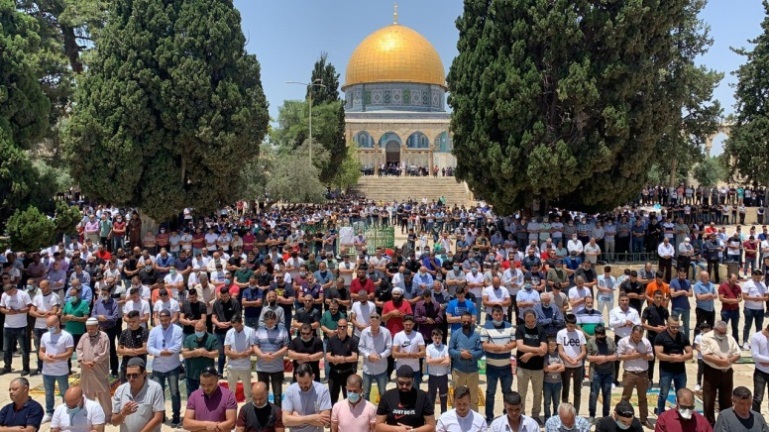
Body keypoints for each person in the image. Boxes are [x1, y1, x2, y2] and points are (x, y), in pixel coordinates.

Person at [147, 308, 184, 426]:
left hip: (173, 366)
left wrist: (169, 351)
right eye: (162, 320)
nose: (164, 322)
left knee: (174, 392)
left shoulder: (177, 329)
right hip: (158, 367)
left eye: (166, 320)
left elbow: (178, 346)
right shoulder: (154, 331)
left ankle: (176, 415)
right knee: (159, 393)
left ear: (170, 318)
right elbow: (149, 347)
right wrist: (161, 353)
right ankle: (161, 415)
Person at [700, 320, 741, 425]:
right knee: (709, 400)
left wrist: (729, 361)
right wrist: (720, 361)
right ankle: (709, 424)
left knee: (726, 399)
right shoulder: (706, 338)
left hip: (727, 372)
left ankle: (724, 423)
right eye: (721, 332)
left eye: (724, 332)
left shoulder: (729, 337)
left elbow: (737, 353)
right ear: (715, 330)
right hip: (711, 371)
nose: (723, 334)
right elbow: (705, 355)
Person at [480, 305, 516, 423]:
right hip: (491, 367)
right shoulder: (486, 327)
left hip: (506, 366)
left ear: (503, 314)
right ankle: (489, 416)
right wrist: (499, 347)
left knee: (507, 392)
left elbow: (514, 343)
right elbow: (484, 345)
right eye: (496, 314)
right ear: (492, 315)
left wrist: (502, 348)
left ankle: (507, 414)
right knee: (490, 392)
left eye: (500, 314)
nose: (498, 316)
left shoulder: (509, 326)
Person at [111, 358, 165, 432]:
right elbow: (114, 422)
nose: (131, 379)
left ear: (144, 373)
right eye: (128, 376)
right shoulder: (120, 390)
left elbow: (158, 418)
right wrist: (123, 413)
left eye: (135, 375)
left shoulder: (155, 388)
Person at [375, 365, 436, 431]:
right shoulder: (387, 396)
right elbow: (378, 426)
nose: (404, 386)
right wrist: (397, 430)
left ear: (413, 381)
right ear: (396, 380)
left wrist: (413, 431)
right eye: (401, 383)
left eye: (408, 383)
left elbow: (431, 426)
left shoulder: (422, 397)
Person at [654, 316, 693, 415]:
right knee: (664, 394)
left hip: (680, 371)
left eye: (677, 327)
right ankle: (660, 412)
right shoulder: (660, 337)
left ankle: (680, 412)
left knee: (681, 394)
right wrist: (672, 358)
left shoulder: (683, 336)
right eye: (673, 327)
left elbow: (690, 353)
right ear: (667, 325)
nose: (675, 329)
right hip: (666, 371)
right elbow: (659, 355)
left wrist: (681, 358)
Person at [617, 325, 653, 429]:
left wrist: (642, 355)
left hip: (642, 374)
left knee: (642, 398)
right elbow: (619, 356)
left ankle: (644, 419)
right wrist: (631, 356)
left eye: (639, 337)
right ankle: (622, 417)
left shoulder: (646, 342)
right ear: (631, 333)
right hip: (630, 373)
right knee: (625, 397)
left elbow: (651, 356)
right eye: (636, 337)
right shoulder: (624, 342)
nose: (637, 339)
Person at [76, 317, 112, 422]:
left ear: (97, 327)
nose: (90, 331)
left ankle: (107, 415)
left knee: (103, 393)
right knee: (87, 392)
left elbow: (104, 353)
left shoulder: (104, 337)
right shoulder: (84, 336)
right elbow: (79, 349)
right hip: (86, 370)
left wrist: (94, 361)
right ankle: (90, 415)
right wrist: (82, 361)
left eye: (92, 328)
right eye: (88, 329)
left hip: (99, 369)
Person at [183, 366, 238, 431]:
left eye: (210, 385)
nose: (206, 388)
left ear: (217, 380)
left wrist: (203, 428)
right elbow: (186, 424)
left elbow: (231, 423)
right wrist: (206, 425)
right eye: (203, 385)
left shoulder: (229, 395)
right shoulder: (194, 396)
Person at [40, 315, 73, 423]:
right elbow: (41, 351)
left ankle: (66, 410)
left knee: (64, 392)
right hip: (47, 370)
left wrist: (56, 357)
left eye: (51, 325)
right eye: (48, 326)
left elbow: (69, 352)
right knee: (49, 392)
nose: (49, 327)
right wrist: (44, 357)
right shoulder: (45, 336)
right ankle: (49, 412)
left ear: (57, 323)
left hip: (61, 370)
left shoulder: (66, 336)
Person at [515, 309, 547, 419]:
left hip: (538, 368)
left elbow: (544, 349)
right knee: (521, 393)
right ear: (524, 320)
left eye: (532, 321)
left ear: (535, 319)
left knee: (538, 394)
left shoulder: (541, 330)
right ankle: (521, 415)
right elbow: (520, 347)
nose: (530, 323)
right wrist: (537, 350)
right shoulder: (520, 329)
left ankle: (535, 416)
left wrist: (529, 354)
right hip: (523, 367)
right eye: (528, 322)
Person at [254, 310, 290, 407]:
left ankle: (277, 417)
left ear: (275, 320)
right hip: (262, 367)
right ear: (264, 321)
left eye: (271, 322)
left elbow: (286, 346)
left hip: (277, 368)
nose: (269, 324)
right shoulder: (260, 329)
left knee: (277, 395)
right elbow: (255, 346)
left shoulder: (283, 329)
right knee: (263, 393)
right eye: (267, 322)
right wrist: (262, 355)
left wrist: (274, 355)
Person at [282, 363, 333, 432]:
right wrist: (313, 418)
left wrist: (297, 418)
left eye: (306, 382)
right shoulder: (290, 391)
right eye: (300, 382)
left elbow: (325, 422)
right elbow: (285, 421)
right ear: (296, 377)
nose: (303, 386)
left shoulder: (323, 390)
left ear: (313, 377)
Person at [448, 312, 483, 411]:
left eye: (468, 321)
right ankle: (455, 417)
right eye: (464, 321)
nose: (466, 323)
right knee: (457, 396)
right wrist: (460, 354)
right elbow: (450, 349)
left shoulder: (477, 335)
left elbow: (481, 351)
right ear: (461, 321)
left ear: (471, 321)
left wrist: (470, 355)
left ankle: (474, 418)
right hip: (458, 370)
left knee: (474, 397)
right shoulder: (455, 334)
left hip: (473, 371)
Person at [557, 313, 587, 415]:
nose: (572, 328)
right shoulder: (561, 333)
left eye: (573, 326)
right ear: (566, 324)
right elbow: (560, 351)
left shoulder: (580, 334)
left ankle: (576, 413)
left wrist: (577, 359)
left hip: (578, 366)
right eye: (570, 326)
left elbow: (583, 351)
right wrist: (569, 360)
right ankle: (565, 412)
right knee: (565, 389)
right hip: (566, 366)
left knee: (577, 391)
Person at [0, 282, 33, 375]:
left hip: (21, 326)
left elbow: (30, 307)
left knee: (24, 349)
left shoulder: (23, 294)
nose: (8, 295)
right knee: (6, 349)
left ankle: (26, 368)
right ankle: (7, 367)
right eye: (7, 293)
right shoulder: (4, 295)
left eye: (10, 293)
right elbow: (1, 307)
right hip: (8, 326)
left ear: (13, 289)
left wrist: (18, 311)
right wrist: (7, 311)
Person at [609, 293, 641, 385]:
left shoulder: (634, 311)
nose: (624, 302)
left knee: (633, 359)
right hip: (619, 338)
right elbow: (611, 323)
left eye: (626, 300)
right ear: (619, 301)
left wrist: (631, 323)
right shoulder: (614, 311)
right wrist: (623, 322)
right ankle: (614, 380)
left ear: (629, 301)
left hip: (632, 339)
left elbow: (639, 323)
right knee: (616, 360)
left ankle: (632, 380)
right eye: (622, 300)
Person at [358, 313, 392, 402]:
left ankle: (383, 411)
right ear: (369, 322)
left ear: (380, 322)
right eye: (372, 324)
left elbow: (389, 348)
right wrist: (368, 355)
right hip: (367, 368)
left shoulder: (386, 332)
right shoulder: (364, 332)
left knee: (383, 392)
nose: (374, 327)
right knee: (365, 392)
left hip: (381, 368)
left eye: (376, 324)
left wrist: (381, 356)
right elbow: (360, 347)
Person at [586, 324, 616, 423]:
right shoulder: (591, 342)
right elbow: (588, 357)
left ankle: (606, 416)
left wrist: (605, 359)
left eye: (602, 337)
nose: (601, 339)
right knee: (594, 394)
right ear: (595, 335)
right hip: (596, 372)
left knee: (607, 395)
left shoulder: (610, 341)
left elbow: (616, 355)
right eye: (599, 337)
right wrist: (598, 359)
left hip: (608, 372)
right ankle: (592, 415)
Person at [30, 279, 60, 376]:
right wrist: (43, 314)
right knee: (39, 348)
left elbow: (54, 312)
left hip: (49, 327)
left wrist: (39, 311)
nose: (42, 289)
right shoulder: (37, 297)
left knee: (51, 347)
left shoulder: (54, 297)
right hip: (38, 326)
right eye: (41, 287)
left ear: (49, 286)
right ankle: (40, 367)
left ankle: (51, 367)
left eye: (44, 287)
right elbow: (31, 312)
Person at [183, 319, 220, 398]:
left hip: (208, 375)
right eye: (197, 330)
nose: (199, 332)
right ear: (194, 329)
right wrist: (196, 352)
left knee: (209, 397)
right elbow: (185, 354)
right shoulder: (189, 338)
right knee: (191, 398)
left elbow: (216, 353)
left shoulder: (212, 338)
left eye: (201, 330)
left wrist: (205, 353)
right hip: (192, 374)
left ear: (205, 329)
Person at [326, 318, 359, 404]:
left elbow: (355, 357)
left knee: (349, 398)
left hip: (347, 373)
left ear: (347, 327)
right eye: (340, 326)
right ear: (337, 327)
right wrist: (336, 359)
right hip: (334, 373)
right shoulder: (331, 340)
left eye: (344, 326)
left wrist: (343, 359)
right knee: (332, 398)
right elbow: (328, 356)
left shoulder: (352, 341)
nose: (342, 328)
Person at [642, 289, 669, 382]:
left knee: (663, 359)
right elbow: (642, 324)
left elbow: (669, 323)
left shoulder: (664, 310)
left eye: (660, 298)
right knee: (651, 359)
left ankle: (662, 379)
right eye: (657, 297)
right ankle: (650, 379)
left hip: (662, 338)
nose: (658, 299)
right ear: (653, 297)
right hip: (651, 336)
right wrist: (654, 329)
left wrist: (665, 327)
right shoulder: (648, 309)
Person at [392, 315, 426, 387]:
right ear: (403, 324)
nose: (408, 326)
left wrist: (403, 354)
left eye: (410, 325)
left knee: (415, 391)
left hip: (414, 369)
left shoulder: (418, 335)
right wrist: (410, 355)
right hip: (401, 368)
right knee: (401, 392)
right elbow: (394, 354)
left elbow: (423, 352)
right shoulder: (398, 335)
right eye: (406, 324)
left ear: (413, 324)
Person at [116, 310, 149, 381]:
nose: (131, 324)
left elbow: (145, 349)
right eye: (130, 321)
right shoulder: (124, 333)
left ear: (139, 320)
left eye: (134, 321)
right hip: (126, 365)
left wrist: (131, 351)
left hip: (139, 365)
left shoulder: (144, 332)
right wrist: (127, 352)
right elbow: (119, 350)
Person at [426, 329, 450, 414]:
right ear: (432, 337)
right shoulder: (429, 347)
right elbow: (428, 361)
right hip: (432, 376)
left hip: (443, 376)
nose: (437, 340)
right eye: (435, 338)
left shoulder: (445, 347)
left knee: (443, 397)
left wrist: (434, 361)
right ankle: (431, 417)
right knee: (431, 398)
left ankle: (444, 416)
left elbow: (447, 362)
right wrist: (442, 359)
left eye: (439, 338)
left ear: (442, 338)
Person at [742, 269, 767, 350]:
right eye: (757, 276)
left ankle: (758, 342)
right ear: (753, 275)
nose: (758, 278)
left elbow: (767, 297)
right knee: (747, 325)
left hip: (760, 309)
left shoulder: (763, 285)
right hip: (749, 308)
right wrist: (754, 298)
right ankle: (745, 341)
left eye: (760, 277)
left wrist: (760, 299)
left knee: (759, 327)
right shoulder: (747, 284)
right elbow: (744, 296)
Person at [751, 322, 769, 412]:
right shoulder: (756, 337)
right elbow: (755, 356)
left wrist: (764, 361)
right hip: (761, 372)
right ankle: (756, 421)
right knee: (758, 398)